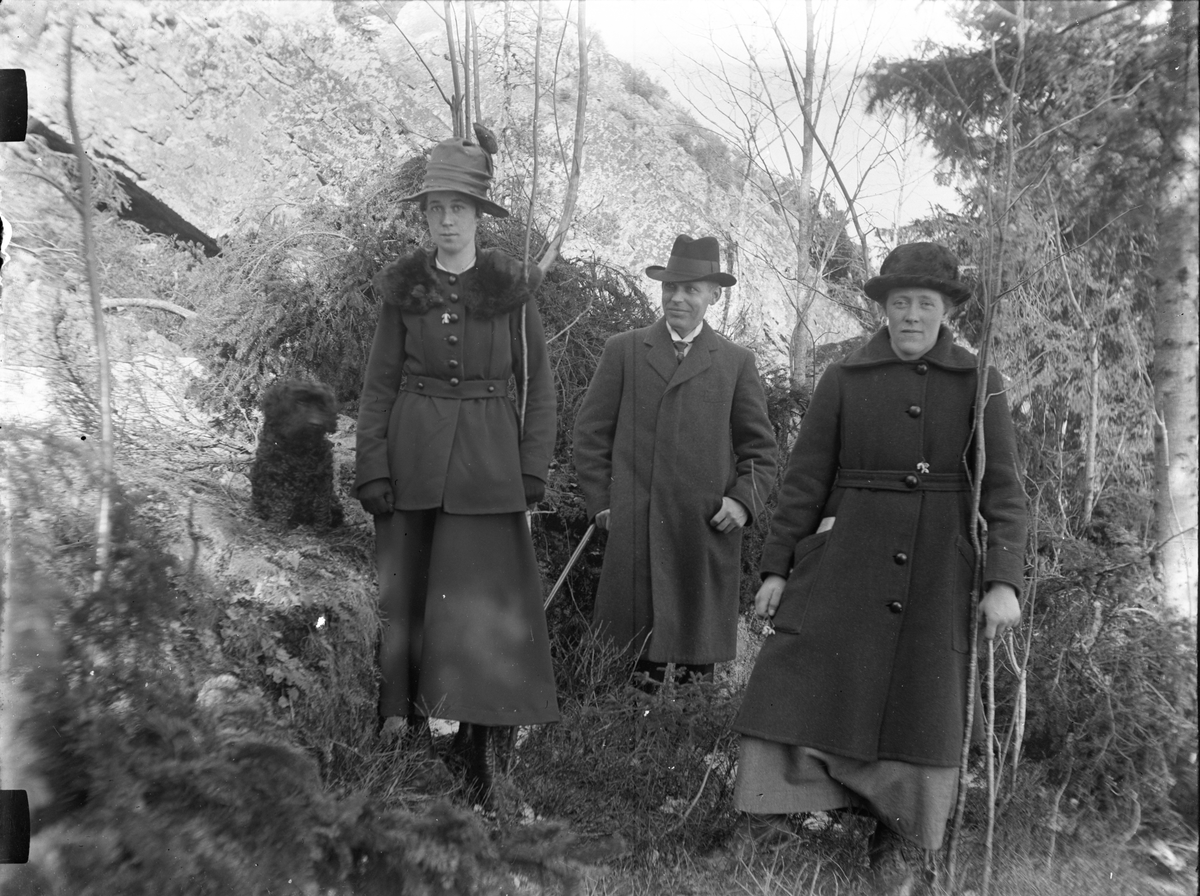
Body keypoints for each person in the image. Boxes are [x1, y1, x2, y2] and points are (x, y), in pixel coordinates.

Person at [731, 242, 1027, 893]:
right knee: (797, 676)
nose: (912, 315)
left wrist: (1003, 580)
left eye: (925, 303)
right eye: (900, 303)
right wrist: (778, 569)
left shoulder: (981, 383)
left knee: (923, 702)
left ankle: (902, 842)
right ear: (884, 308)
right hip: (848, 558)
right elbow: (805, 480)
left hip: (939, 570)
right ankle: (787, 813)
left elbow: (1004, 491)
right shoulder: (844, 378)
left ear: (948, 310)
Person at [355, 136, 559, 806]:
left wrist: (531, 467)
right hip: (412, 460)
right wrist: (373, 466)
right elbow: (378, 385)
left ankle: (481, 741)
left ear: (478, 216)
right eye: (437, 208)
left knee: (483, 608)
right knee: (407, 598)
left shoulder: (510, 292)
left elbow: (538, 385)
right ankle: (401, 729)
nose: (447, 220)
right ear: (426, 216)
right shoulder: (404, 290)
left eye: (459, 208)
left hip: (488, 468)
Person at [572, 234, 777, 687]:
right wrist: (603, 503)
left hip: (701, 534)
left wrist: (742, 502)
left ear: (714, 295)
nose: (678, 298)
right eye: (670, 287)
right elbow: (590, 434)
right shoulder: (624, 350)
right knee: (626, 672)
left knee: (694, 678)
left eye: (691, 289)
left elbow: (760, 451)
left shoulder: (736, 362)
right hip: (636, 532)